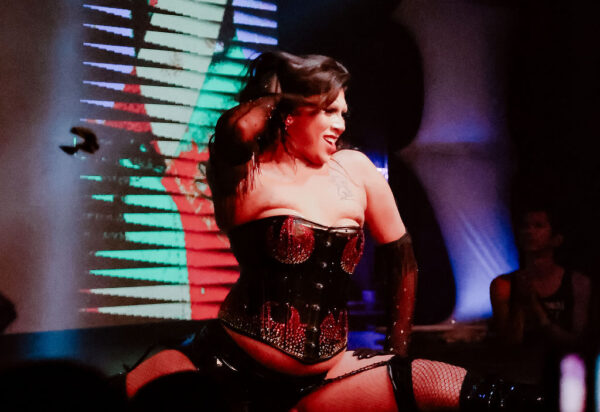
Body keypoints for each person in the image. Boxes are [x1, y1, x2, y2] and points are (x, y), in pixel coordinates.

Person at [123, 51, 543, 411]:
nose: (341, 123)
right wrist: (285, 94)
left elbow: (402, 259)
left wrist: (396, 354)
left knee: (485, 395)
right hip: (227, 366)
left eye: (343, 112)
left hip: (330, 375)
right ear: (289, 114)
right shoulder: (248, 172)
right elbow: (236, 129)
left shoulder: (356, 170)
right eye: (328, 110)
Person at [490, 205, 591, 348]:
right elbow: (509, 342)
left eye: (538, 226)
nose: (529, 231)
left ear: (557, 239)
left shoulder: (577, 282)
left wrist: (536, 308)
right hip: (522, 360)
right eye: (525, 226)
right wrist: (520, 303)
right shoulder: (503, 284)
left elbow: (576, 340)